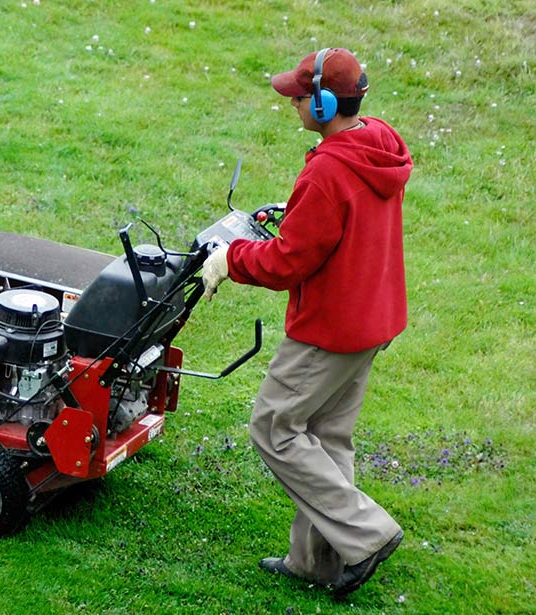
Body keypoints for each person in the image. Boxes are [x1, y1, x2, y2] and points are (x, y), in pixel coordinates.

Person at [201, 47, 412, 597]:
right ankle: (314, 562)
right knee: (326, 435)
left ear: (322, 103)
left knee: (274, 427)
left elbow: (289, 262)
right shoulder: (378, 145)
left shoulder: (328, 171)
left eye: (299, 97)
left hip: (328, 329)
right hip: (372, 320)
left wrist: (231, 259)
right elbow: (329, 232)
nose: (293, 104)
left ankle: (367, 534)